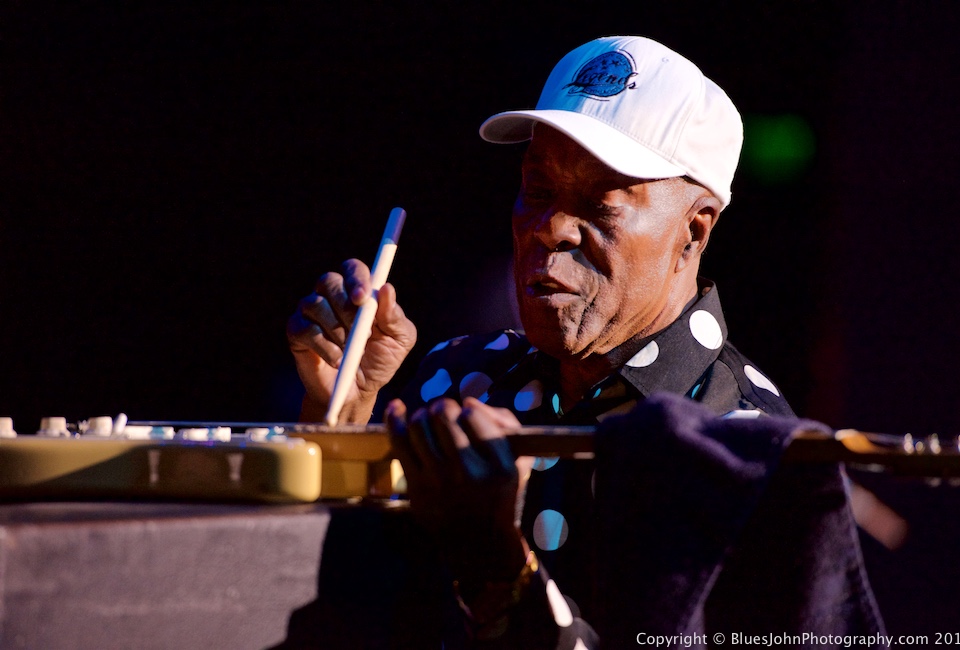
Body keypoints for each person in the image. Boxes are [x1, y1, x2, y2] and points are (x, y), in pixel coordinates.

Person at [286, 36, 885, 648]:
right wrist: (342, 416)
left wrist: (499, 569)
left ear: (694, 231)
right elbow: (333, 609)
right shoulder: (462, 378)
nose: (550, 229)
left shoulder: (746, 450)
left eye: (600, 204)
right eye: (538, 190)